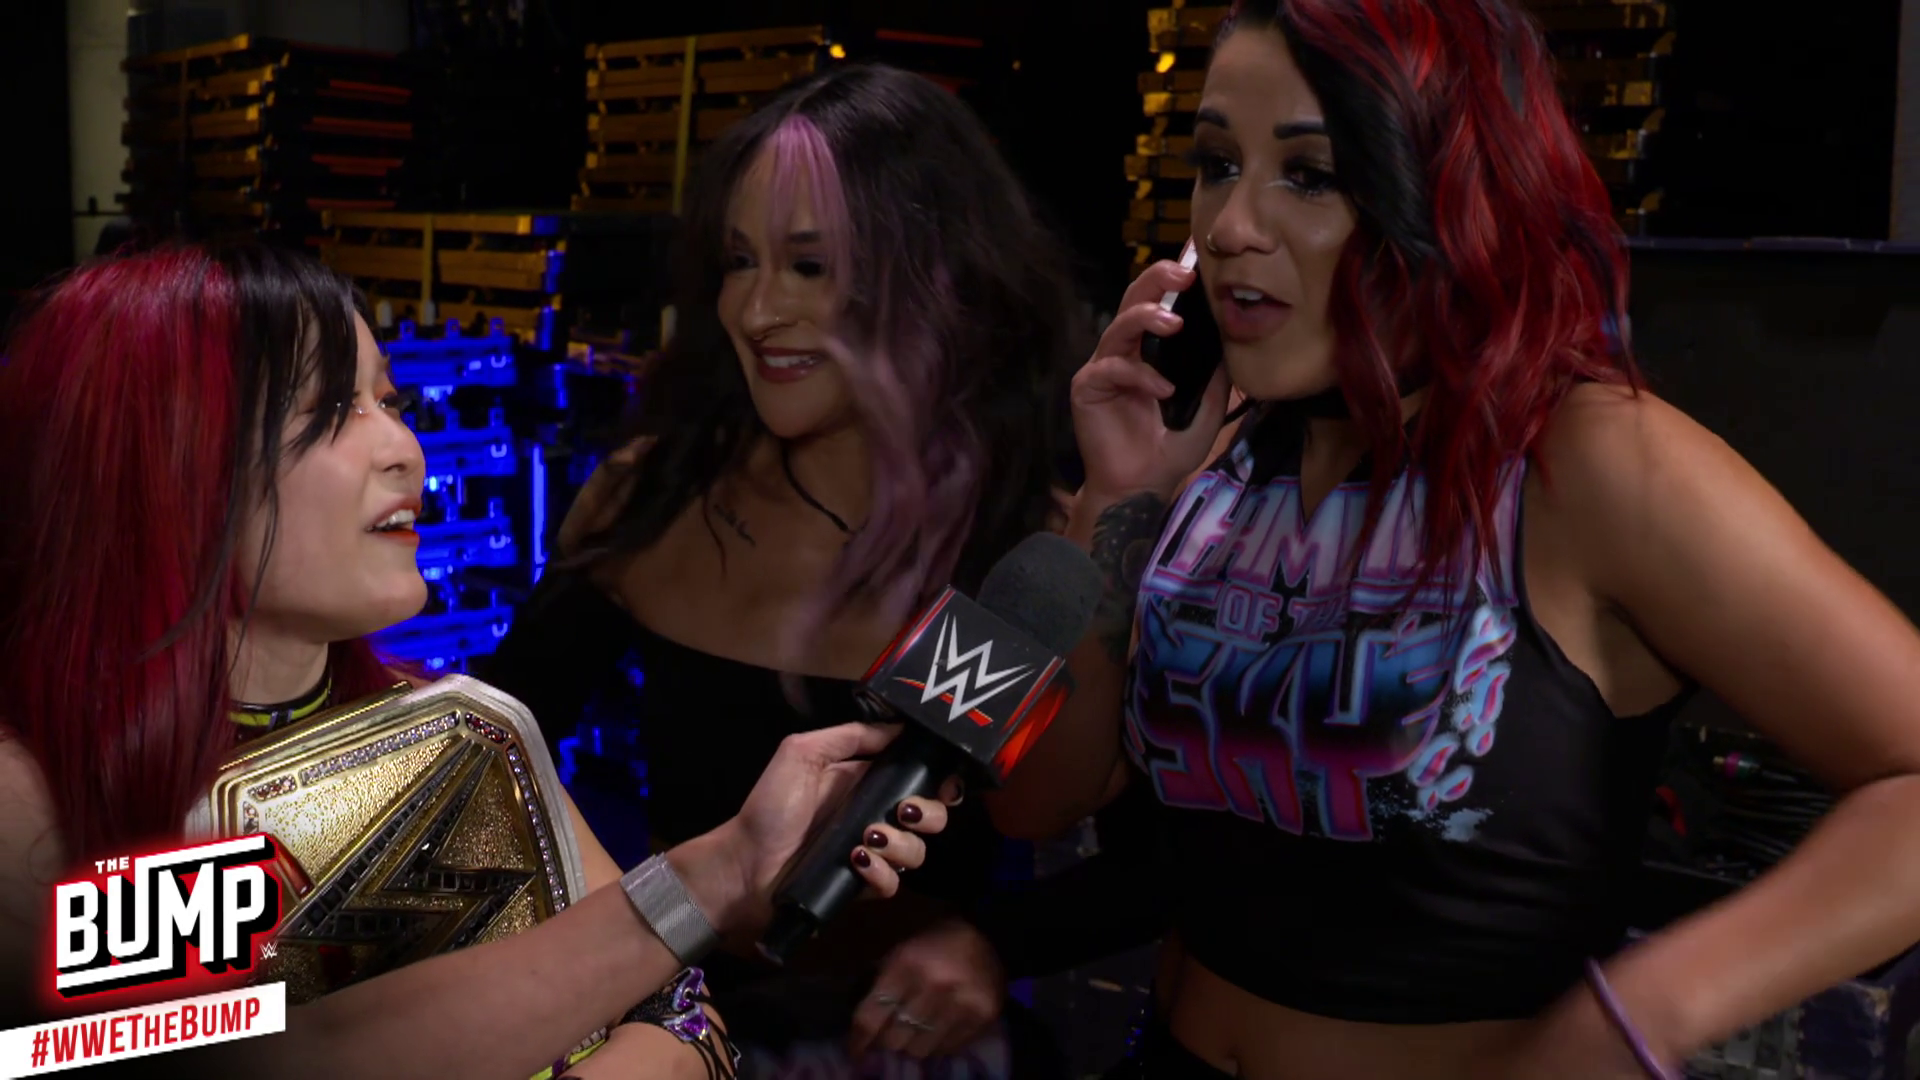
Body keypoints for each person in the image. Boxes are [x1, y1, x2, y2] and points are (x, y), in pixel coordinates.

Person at [989, 1, 1920, 1077]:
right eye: (1216, 164)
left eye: (1309, 175)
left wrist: (1645, 1012)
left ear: (1454, 195)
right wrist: (1116, 499)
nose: (1233, 223)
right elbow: (1034, 801)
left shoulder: (1593, 460)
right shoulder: (1216, 452)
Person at [0, 242, 955, 1079]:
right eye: (328, 409)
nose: (403, 449)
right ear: (157, 464)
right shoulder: (36, 800)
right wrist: (708, 881)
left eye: (387, 400)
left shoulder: (465, 732)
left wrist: (722, 888)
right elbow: (249, 1057)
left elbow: (681, 1015)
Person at [483, 62, 1084, 1075]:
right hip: (672, 1044)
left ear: (932, 273)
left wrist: (993, 943)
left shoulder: (1023, 547)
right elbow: (490, 759)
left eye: (808, 266)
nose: (757, 310)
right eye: (738, 261)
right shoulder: (654, 501)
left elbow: (1161, 855)